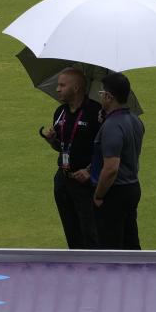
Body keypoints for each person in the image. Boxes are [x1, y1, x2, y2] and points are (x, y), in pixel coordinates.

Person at [40, 69, 103, 249]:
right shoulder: (60, 112)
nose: (57, 89)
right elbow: (61, 147)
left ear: (76, 88)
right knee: (71, 230)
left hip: (86, 182)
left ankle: (94, 272)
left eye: (62, 85)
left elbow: (104, 149)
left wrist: (90, 171)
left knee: (90, 232)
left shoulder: (96, 112)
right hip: (63, 180)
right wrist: (52, 141)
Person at [91, 72, 144, 249]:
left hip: (115, 192)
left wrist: (98, 195)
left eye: (101, 93)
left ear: (109, 96)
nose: (100, 97)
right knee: (130, 243)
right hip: (132, 187)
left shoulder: (113, 126)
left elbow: (111, 168)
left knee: (110, 247)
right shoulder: (135, 120)